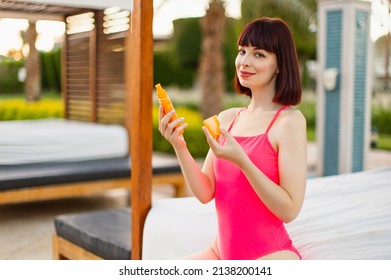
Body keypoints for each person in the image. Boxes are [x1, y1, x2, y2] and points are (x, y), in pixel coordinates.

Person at [158, 17, 307, 260]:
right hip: (220, 252)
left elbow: (289, 210)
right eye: (242, 51)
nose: (245, 62)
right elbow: (206, 192)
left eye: (259, 54)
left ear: (280, 64)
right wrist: (179, 145)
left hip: (271, 255)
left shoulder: (289, 122)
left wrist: (243, 161)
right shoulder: (227, 119)